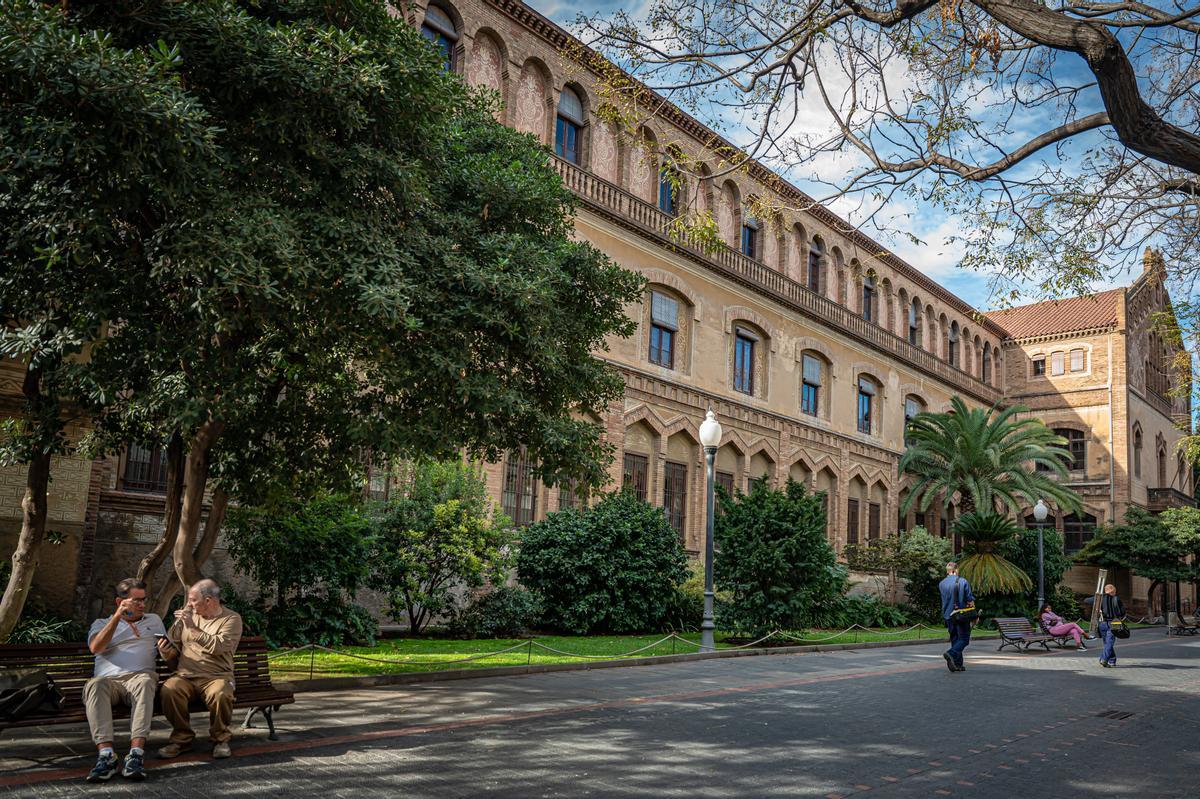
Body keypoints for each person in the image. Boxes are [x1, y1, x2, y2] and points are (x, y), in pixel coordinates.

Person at [83, 578, 166, 782]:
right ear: (120, 602)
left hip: (140, 679)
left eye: (143, 600)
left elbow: (170, 658)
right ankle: (106, 756)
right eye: (136, 601)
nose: (142, 605)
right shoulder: (101, 624)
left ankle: (136, 754)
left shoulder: (153, 620)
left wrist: (167, 652)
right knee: (94, 684)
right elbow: (96, 648)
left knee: (146, 681)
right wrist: (117, 618)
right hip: (109, 682)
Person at [155, 579, 243, 759]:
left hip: (216, 676)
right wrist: (166, 652)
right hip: (185, 676)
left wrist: (192, 628)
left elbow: (218, 647)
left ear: (209, 600)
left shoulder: (231, 619)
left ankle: (220, 739)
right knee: (170, 689)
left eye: (193, 600)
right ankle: (181, 740)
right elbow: (173, 645)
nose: (188, 604)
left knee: (221, 693)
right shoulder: (188, 618)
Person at [938, 561, 975, 673]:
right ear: (954, 570)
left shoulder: (941, 583)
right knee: (964, 639)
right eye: (958, 570)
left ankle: (958, 664)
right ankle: (951, 653)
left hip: (948, 615)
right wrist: (974, 614)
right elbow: (969, 600)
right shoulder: (962, 581)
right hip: (960, 615)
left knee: (955, 639)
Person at [1097, 583, 1124, 668]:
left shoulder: (1100, 599)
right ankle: (1109, 660)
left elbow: (1086, 600)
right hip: (1115, 622)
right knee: (1109, 642)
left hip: (1103, 622)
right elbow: (1123, 612)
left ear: (1105, 591)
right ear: (1114, 591)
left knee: (1107, 642)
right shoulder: (1117, 599)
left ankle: (1106, 659)